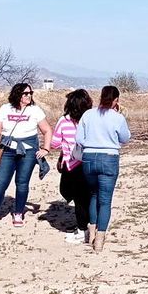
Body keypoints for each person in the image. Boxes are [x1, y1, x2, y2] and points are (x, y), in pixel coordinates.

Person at [0, 83, 52, 228]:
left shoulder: (35, 110)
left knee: (22, 183)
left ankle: (18, 213)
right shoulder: (5, 109)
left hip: (28, 151)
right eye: (25, 93)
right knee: (0, 183)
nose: (29, 95)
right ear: (17, 95)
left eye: (30, 93)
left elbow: (47, 130)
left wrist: (46, 149)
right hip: (8, 151)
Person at [76, 85, 130, 251]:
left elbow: (79, 138)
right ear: (116, 100)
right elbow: (125, 138)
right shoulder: (117, 117)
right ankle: (100, 239)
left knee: (93, 195)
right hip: (109, 158)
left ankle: (91, 233)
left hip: (89, 158)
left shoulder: (88, 114)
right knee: (105, 200)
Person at [50, 89, 93, 244]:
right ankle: (90, 226)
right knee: (88, 197)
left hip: (72, 164)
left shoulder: (64, 121)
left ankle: (82, 230)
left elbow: (54, 143)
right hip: (90, 162)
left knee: (76, 197)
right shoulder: (91, 119)